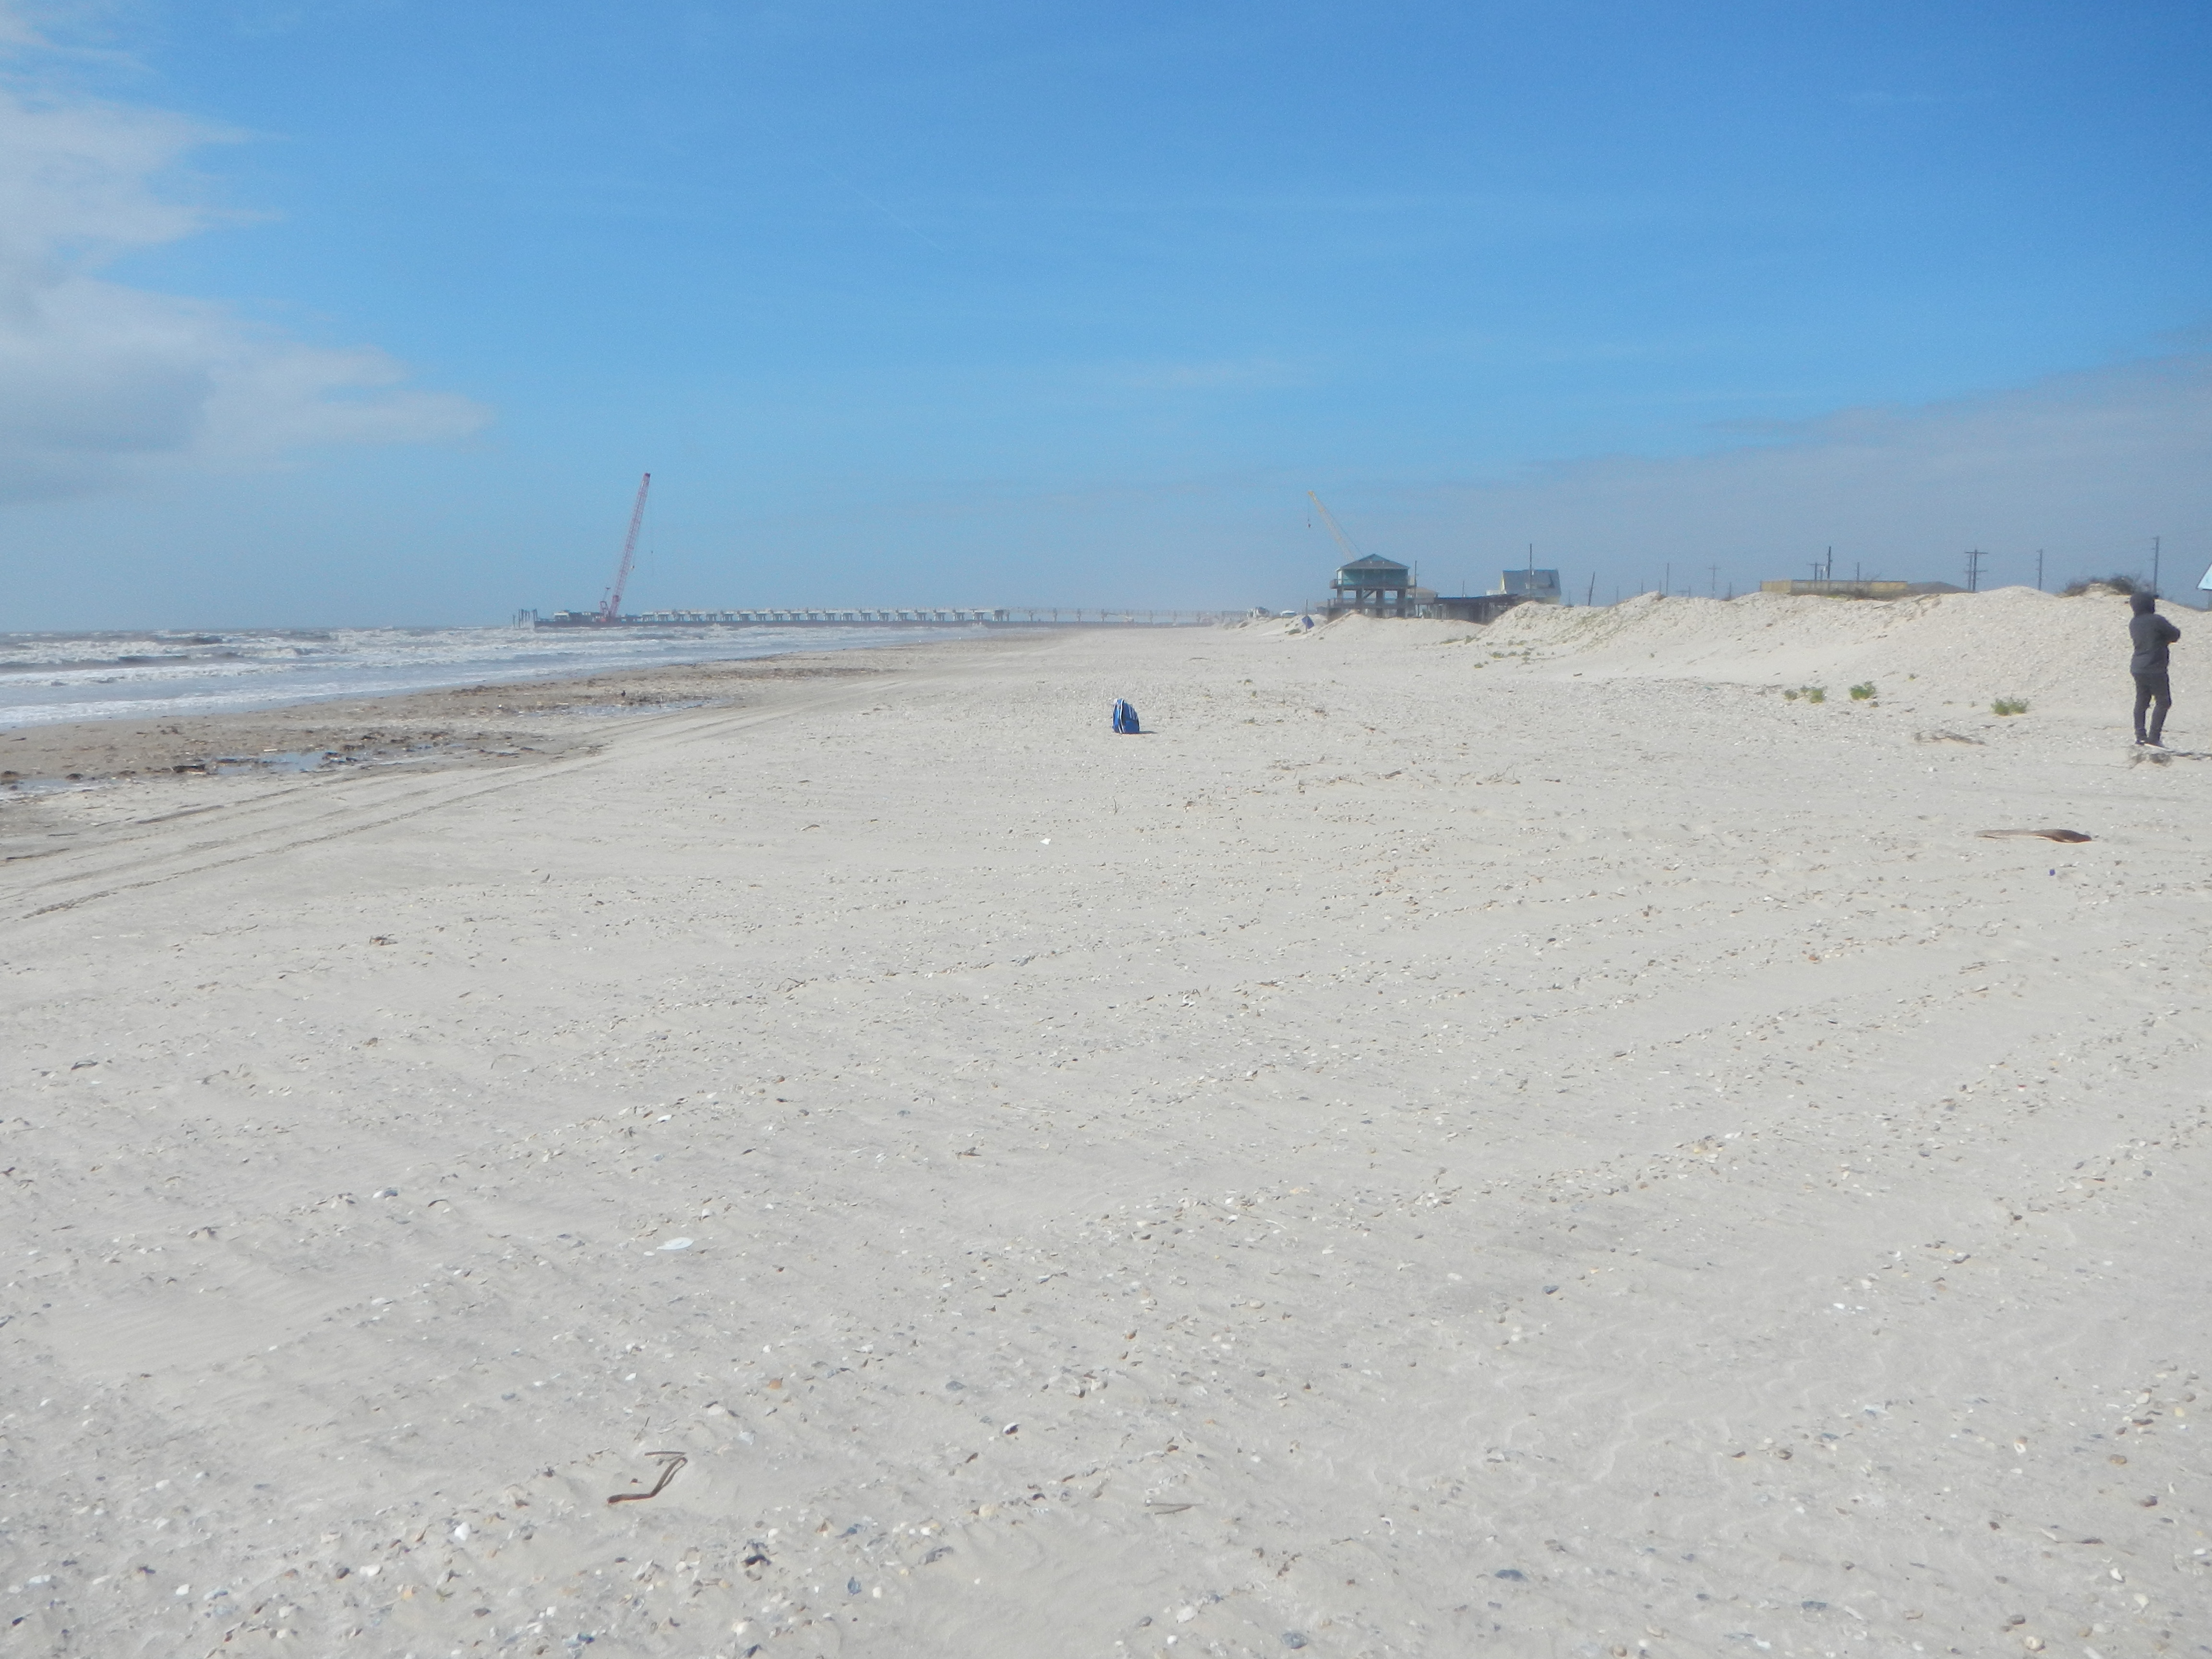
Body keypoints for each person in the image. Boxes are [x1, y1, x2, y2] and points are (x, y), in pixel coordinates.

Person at [2129, 590, 2180, 746]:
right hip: (2155, 667)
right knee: (2164, 702)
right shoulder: (2157, 620)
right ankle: (2154, 737)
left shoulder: (2134, 623)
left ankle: (2140, 736)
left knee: (2142, 702)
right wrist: (2165, 640)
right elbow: (2176, 634)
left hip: (2138, 666)